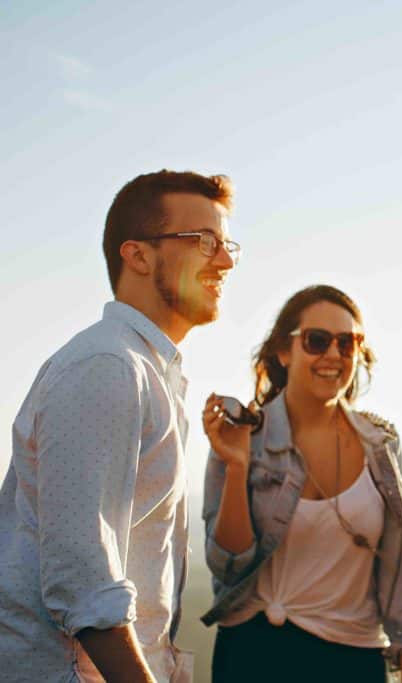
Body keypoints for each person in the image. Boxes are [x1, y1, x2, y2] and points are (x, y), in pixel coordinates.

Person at [0, 170, 237, 682]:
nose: (224, 260)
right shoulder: (108, 365)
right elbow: (85, 584)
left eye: (226, 244)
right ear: (138, 255)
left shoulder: (150, 371)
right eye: (204, 241)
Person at [200, 284, 402, 682]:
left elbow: (401, 584)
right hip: (252, 658)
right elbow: (228, 565)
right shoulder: (242, 435)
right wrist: (237, 467)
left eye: (347, 343)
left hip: (352, 663)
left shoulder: (382, 446)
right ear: (283, 351)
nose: (332, 355)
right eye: (317, 341)